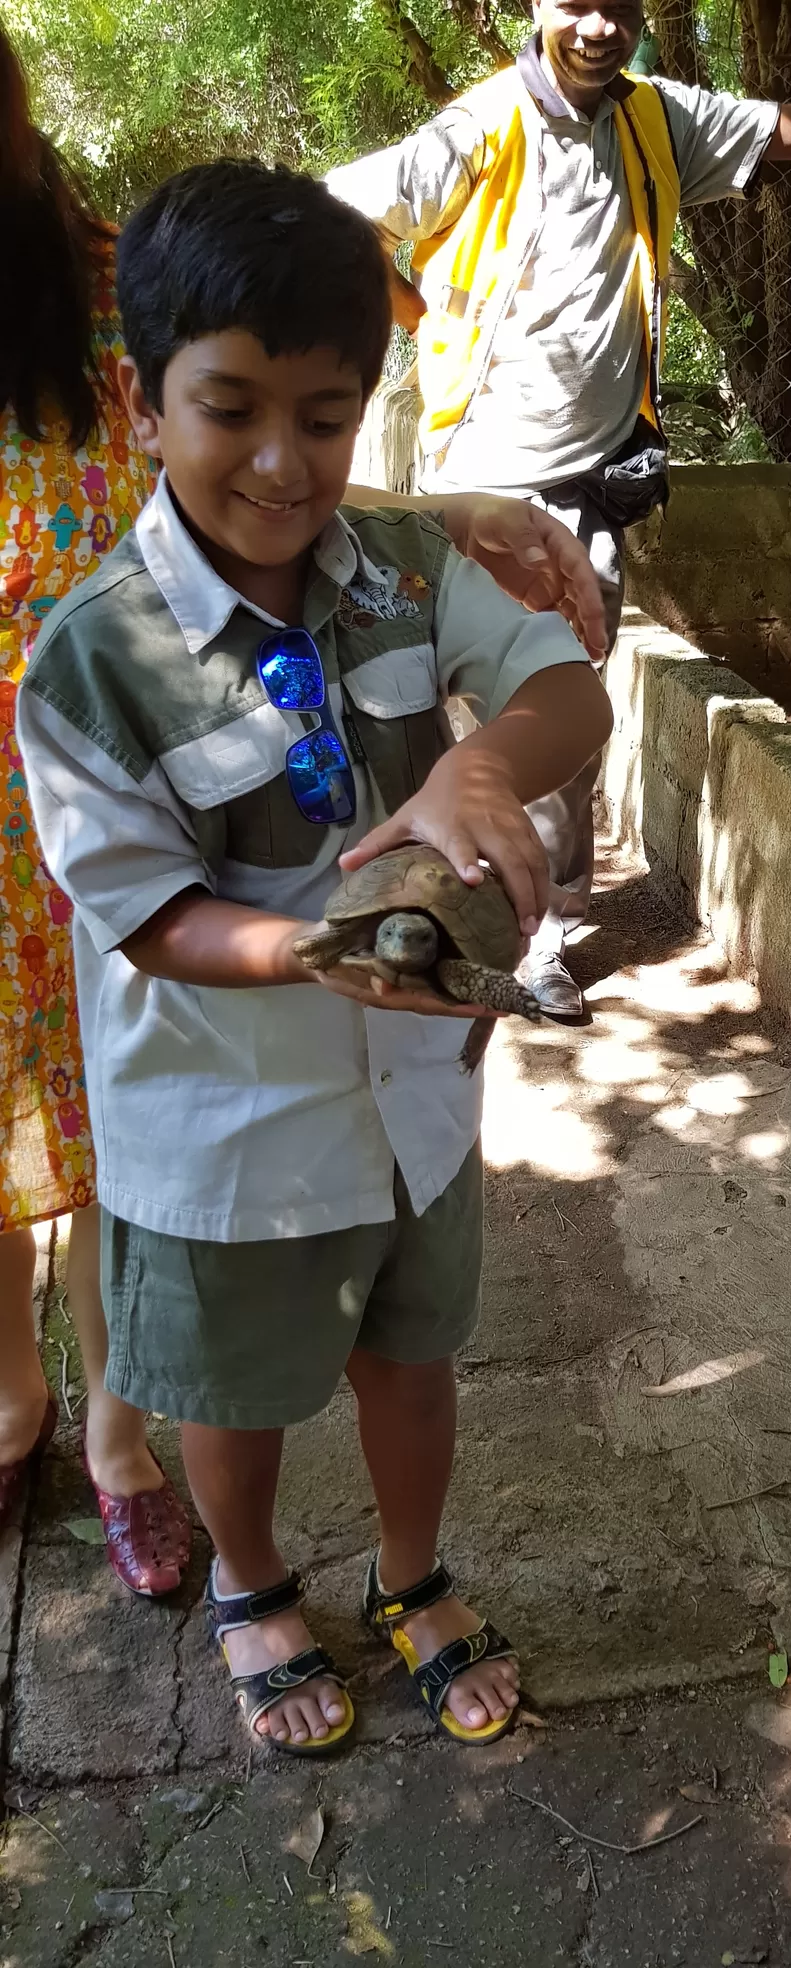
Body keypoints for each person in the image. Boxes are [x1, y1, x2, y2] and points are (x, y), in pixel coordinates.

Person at [17, 158, 613, 1754]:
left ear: (364, 411)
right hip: (221, 1123)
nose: (283, 463)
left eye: (327, 417)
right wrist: (309, 949)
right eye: (230, 410)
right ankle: (254, 1580)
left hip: (414, 1100)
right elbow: (146, 911)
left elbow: (568, 687)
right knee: (238, 1386)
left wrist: (479, 766)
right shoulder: (89, 662)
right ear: (144, 405)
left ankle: (414, 1573)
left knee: (411, 1358)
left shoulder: (411, 575)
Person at [328, 1, 791, 1020]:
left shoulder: (655, 120)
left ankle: (541, 930)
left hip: (593, 483)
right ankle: (435, 900)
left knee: (561, 710)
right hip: (479, 480)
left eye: (620, 7)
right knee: (452, 707)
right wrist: (420, 307)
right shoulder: (479, 127)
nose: (599, 26)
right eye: (577, 4)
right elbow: (335, 216)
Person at [0, 23, 191, 1592]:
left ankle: (123, 1432)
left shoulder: (114, 277)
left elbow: (229, 462)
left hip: (99, 761)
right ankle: (14, 1408)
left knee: (117, 1101)